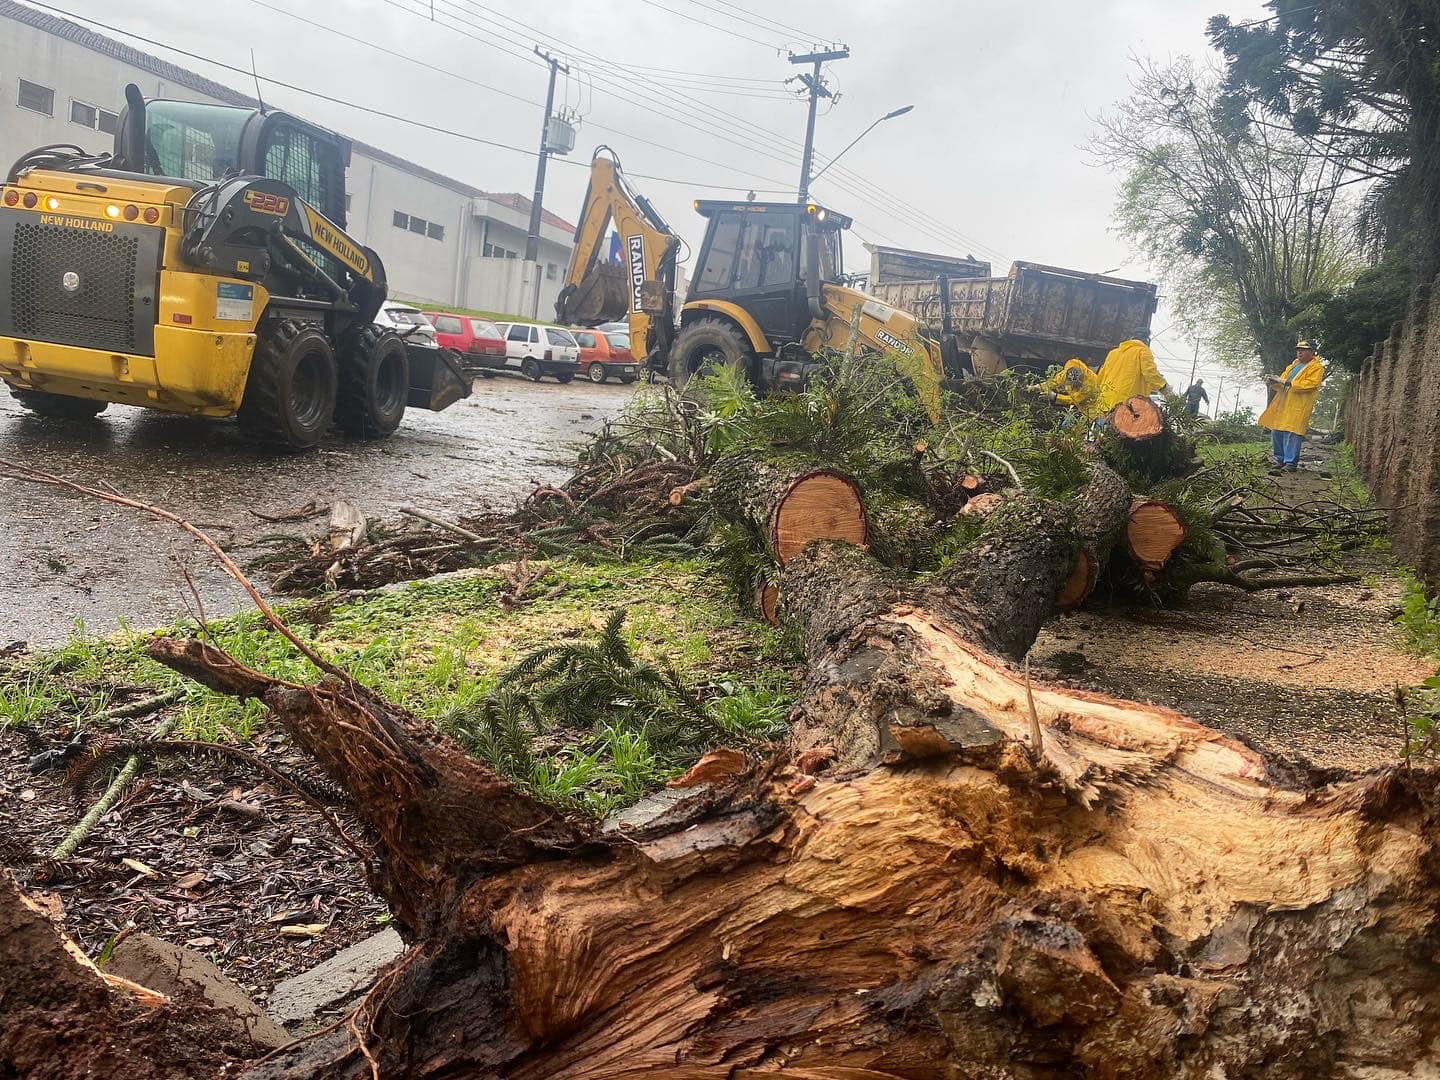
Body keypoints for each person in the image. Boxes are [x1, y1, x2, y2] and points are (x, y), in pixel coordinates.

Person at [1259, 340, 1326, 473]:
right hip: (1284, 405)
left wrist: (1287, 382)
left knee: (1292, 433)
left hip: (1298, 406)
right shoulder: (1292, 366)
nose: (1299, 352)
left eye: (1303, 349)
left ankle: (1290, 463)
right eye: (1298, 349)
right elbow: (1282, 384)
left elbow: (1310, 384)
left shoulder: (1316, 367)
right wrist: (1272, 382)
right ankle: (1280, 460)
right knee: (1276, 431)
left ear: (1311, 352)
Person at [1096, 331, 1169, 412]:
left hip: (1105, 401)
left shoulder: (1113, 353)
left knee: (1107, 423)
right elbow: (1150, 373)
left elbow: (1101, 376)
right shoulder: (1143, 351)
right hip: (1127, 403)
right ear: (1147, 341)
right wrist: (1164, 387)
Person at [1038, 358, 1104, 422]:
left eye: (1076, 384)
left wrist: (1054, 396)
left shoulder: (1091, 384)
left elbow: (1073, 400)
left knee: (1087, 430)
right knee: (1066, 426)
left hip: (1092, 411)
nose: (1073, 386)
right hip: (1078, 408)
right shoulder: (1067, 373)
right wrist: (1038, 387)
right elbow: (1054, 382)